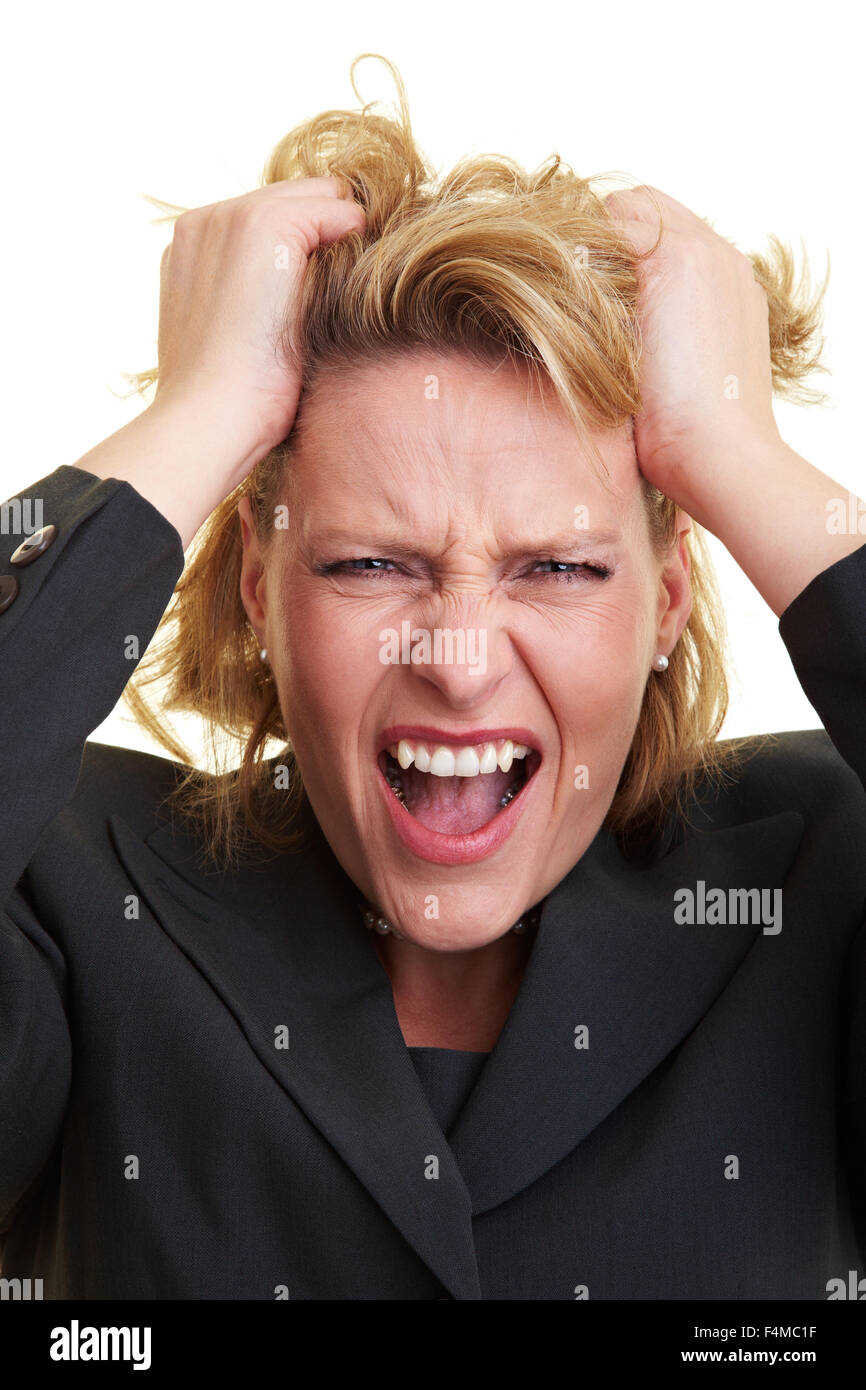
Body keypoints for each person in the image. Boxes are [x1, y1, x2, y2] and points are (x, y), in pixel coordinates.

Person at [1, 54, 864, 1300]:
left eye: (560, 568)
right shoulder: (66, 882)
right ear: (258, 590)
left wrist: (736, 451)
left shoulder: (816, 880)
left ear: (668, 597)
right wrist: (195, 419)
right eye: (366, 563)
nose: (457, 662)